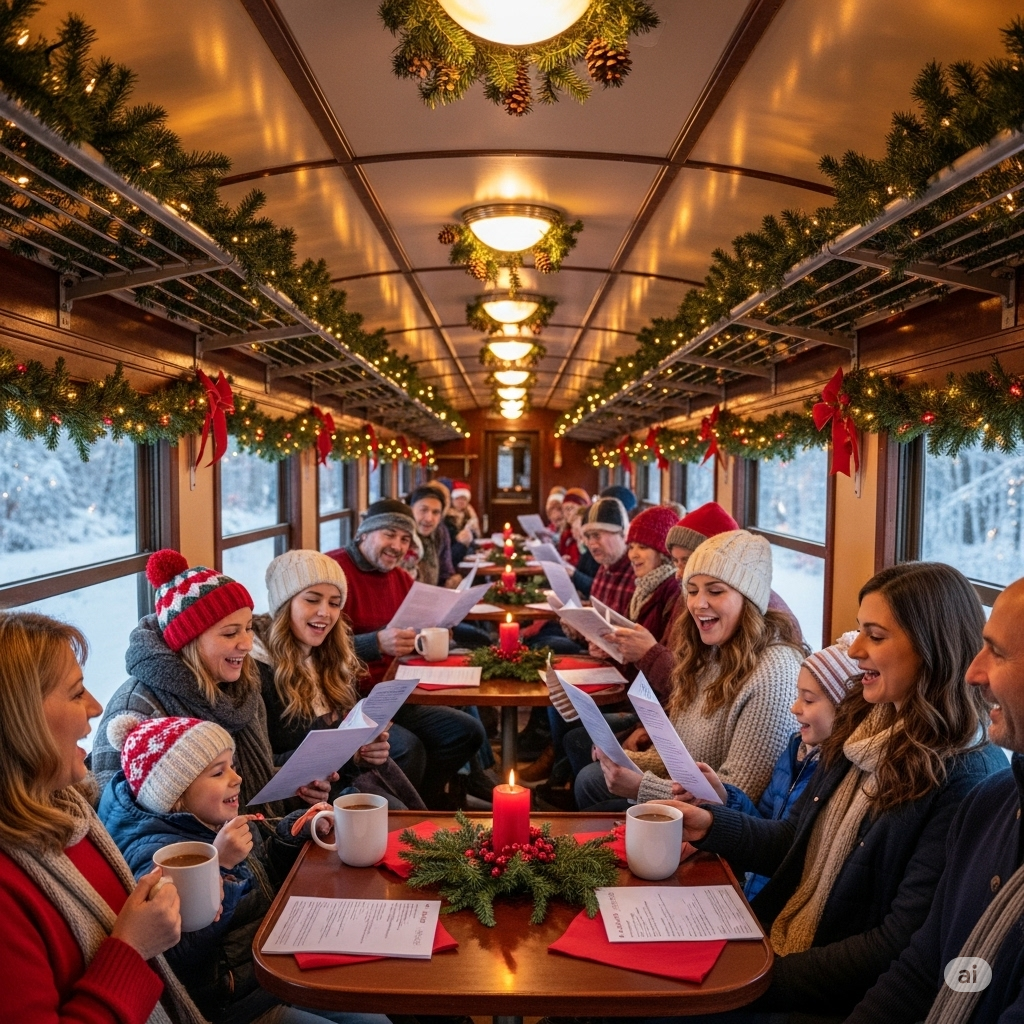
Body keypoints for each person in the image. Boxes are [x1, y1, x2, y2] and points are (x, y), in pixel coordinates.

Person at [656, 562, 1007, 1022]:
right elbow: (795, 843)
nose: (856, 649)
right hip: (779, 941)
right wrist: (713, 825)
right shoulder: (862, 724)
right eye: (860, 631)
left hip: (828, 989)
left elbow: (895, 943)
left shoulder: (963, 774)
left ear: (930, 648)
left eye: (876, 637)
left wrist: (759, 977)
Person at [100, 714, 390, 1024]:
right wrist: (220, 866)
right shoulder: (157, 857)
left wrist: (294, 832)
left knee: (374, 1017)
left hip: (272, 970)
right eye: (218, 772)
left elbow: (261, 875)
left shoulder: (210, 818)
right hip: (239, 1006)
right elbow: (178, 954)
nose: (236, 778)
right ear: (175, 795)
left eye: (232, 766)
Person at [0, 611, 205, 1024]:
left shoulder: (70, 813)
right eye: (76, 694)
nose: (95, 707)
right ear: (22, 723)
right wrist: (130, 952)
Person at [845, 577, 1024, 1024]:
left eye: (998, 653)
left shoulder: (967, 775)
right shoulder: (991, 804)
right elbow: (923, 972)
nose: (973, 672)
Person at [573, 530, 804, 811]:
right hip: (685, 794)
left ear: (750, 598)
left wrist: (641, 786)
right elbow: (679, 755)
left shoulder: (774, 673)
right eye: (692, 591)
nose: (698, 603)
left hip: (718, 826)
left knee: (591, 797)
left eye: (715, 591)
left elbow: (738, 796)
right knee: (589, 777)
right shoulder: (709, 650)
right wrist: (624, 758)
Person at [92, 550, 325, 814]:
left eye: (248, 628)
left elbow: (251, 773)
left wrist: (298, 790)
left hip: (260, 839)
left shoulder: (243, 687)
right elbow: (115, 815)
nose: (247, 645)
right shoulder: (138, 708)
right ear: (189, 641)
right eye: (230, 633)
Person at [326, 498, 486, 807]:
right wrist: (374, 644)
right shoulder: (334, 572)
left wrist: (437, 630)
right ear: (363, 534)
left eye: (404, 539)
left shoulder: (399, 577)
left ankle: (424, 805)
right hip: (351, 700)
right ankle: (411, 816)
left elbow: (413, 629)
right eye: (389, 534)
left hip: (395, 693)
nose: (398, 546)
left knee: (467, 731)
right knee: (410, 747)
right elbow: (316, 648)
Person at [252, 549, 423, 810]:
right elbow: (262, 765)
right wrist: (345, 753)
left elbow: (345, 758)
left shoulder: (333, 654)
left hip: (339, 784)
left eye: (334, 603)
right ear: (283, 605)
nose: (325, 613)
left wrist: (364, 754)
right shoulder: (259, 670)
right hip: (296, 805)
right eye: (312, 600)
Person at [709, 633, 860, 901]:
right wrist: (724, 797)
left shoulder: (840, 771)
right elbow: (765, 823)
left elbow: (798, 856)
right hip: (752, 890)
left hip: (780, 903)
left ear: (844, 708)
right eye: (797, 696)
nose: (794, 708)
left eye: (809, 700)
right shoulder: (796, 751)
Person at [606, 502, 803, 697]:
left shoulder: (772, 644)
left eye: (687, 561)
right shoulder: (690, 598)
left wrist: (648, 653)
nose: (678, 573)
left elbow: (699, 689)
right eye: (676, 561)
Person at [408, 484, 461, 589]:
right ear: (410, 510)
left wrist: (452, 580)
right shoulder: (402, 536)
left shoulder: (440, 532)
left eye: (436, 512)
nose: (429, 518)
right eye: (423, 510)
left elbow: (446, 572)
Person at [445, 480, 480, 566]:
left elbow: (475, 539)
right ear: (452, 500)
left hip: (468, 559)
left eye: (464, 499)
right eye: (458, 498)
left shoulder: (469, 516)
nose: (461, 501)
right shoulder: (446, 518)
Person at [557, 489, 590, 565]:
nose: (567, 513)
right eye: (564, 510)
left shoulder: (586, 535)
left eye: (570, 508)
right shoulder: (566, 535)